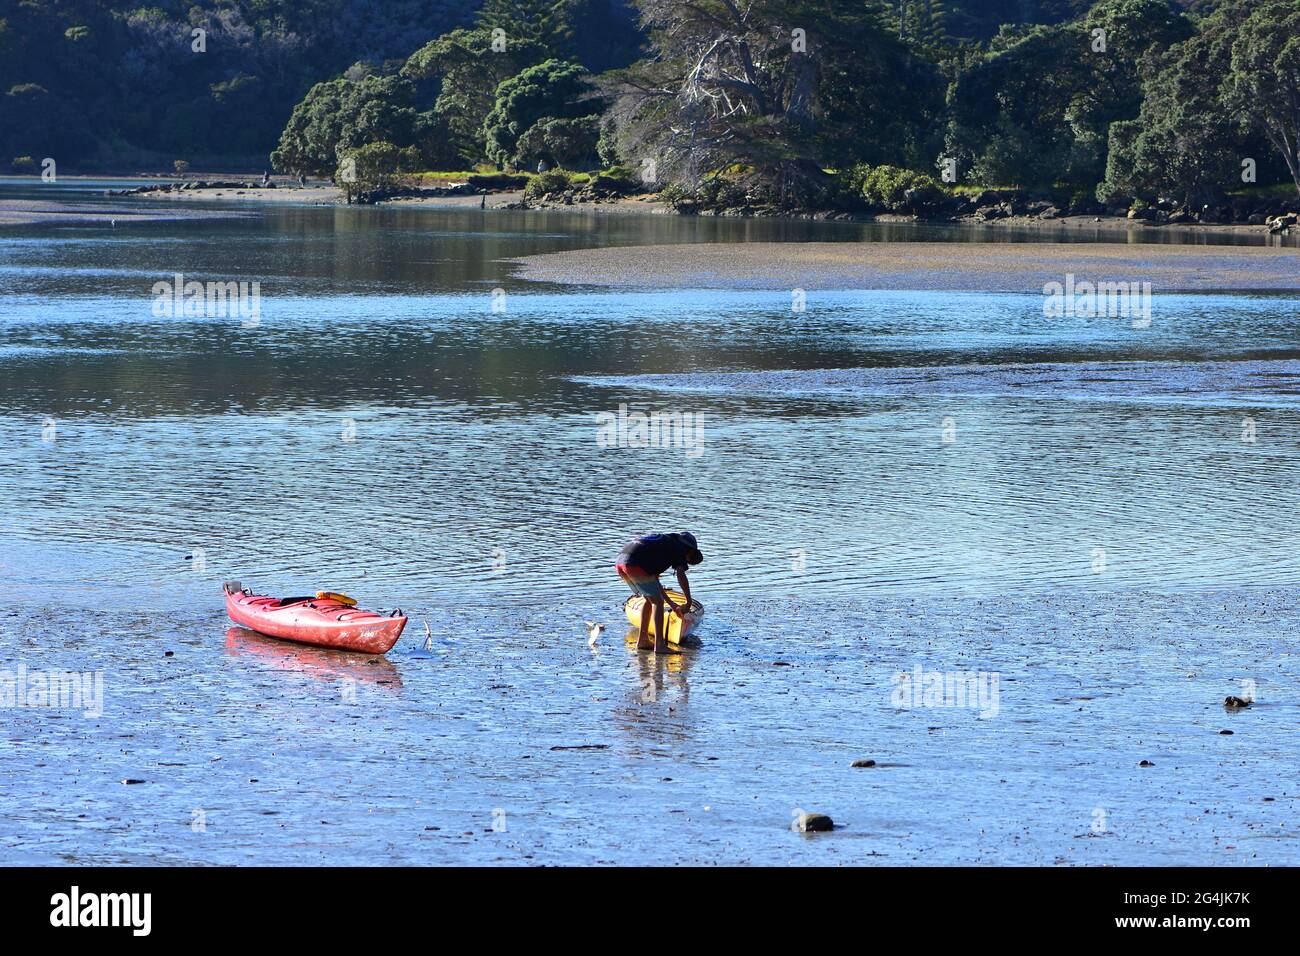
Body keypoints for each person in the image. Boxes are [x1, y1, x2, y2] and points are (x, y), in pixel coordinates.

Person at [616, 532, 703, 653]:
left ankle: (643, 640)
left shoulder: (663, 546)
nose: (684, 562)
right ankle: (660, 645)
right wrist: (688, 602)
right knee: (657, 602)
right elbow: (681, 575)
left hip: (621, 562)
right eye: (687, 561)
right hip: (633, 563)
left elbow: (654, 581)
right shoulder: (679, 548)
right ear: (690, 551)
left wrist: (672, 604)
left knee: (649, 599)